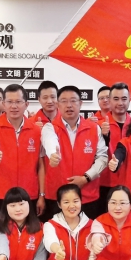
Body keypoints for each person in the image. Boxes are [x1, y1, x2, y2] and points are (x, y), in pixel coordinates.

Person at [0, 84, 46, 222]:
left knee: (28, 233)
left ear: (26, 104)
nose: (14, 106)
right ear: (4, 104)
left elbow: (41, 166)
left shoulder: (36, 131)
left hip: (28, 195)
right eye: (9, 102)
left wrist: (42, 195)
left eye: (18, 102)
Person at [41, 85, 108, 220]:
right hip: (58, 196)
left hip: (87, 195)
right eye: (64, 101)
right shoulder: (50, 127)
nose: (69, 105)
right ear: (58, 104)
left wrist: (86, 178)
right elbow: (50, 141)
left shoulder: (94, 128)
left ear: (80, 103)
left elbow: (103, 157)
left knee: (87, 232)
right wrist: (53, 154)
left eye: (73, 100)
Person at [97, 82, 131, 215]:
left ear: (129, 100)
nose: (120, 103)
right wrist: (102, 135)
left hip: (130, 183)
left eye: (124, 99)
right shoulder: (98, 126)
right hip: (104, 183)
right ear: (110, 100)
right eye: (116, 99)